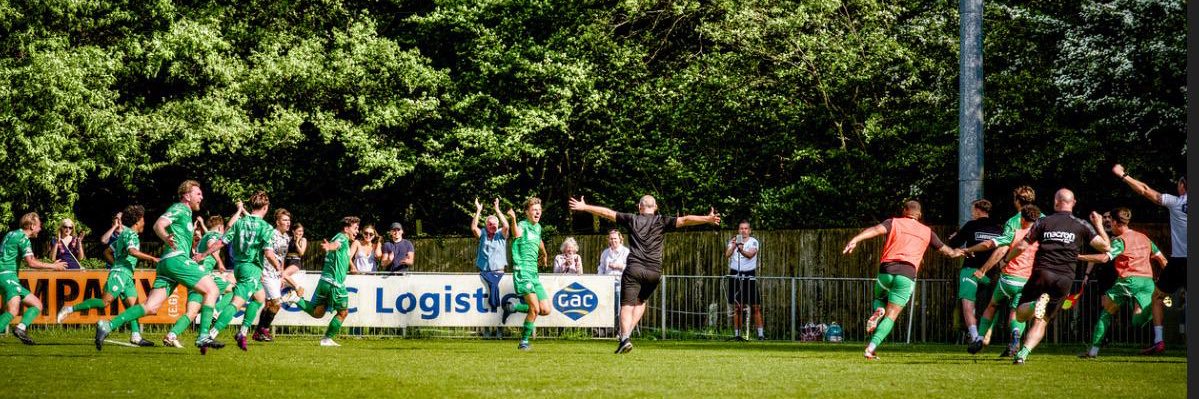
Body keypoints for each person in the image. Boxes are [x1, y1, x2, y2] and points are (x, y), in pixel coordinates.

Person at [569, 195, 721, 354]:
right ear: (655, 207)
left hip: (634, 269)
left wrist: (585, 207)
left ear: (639, 207)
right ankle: (626, 335)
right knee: (641, 301)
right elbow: (685, 220)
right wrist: (707, 219)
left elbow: (607, 213)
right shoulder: (661, 221)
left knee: (626, 305)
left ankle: (624, 338)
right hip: (654, 272)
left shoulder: (632, 219)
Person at [95, 180, 224, 353]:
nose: (201, 197)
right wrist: (166, 238)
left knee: (151, 307)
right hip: (176, 260)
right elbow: (158, 225)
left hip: (167, 264)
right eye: (198, 194)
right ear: (187, 196)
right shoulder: (180, 208)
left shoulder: (186, 213)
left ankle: (108, 325)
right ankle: (203, 336)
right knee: (212, 290)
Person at [842, 200, 962, 360]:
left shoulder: (894, 222)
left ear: (904, 211)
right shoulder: (927, 232)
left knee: (879, 298)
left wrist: (855, 240)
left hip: (887, 271)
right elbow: (948, 252)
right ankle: (870, 349)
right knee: (891, 315)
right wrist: (961, 251)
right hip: (907, 274)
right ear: (919, 214)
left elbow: (875, 230)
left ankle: (879, 310)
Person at [1006, 189, 1109, 365]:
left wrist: (1007, 258)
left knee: (1021, 315)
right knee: (1043, 320)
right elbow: (1105, 247)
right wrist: (1099, 224)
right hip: (1065, 279)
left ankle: (1034, 304)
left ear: (1055, 202)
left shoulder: (1043, 221)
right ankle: (1023, 354)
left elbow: (1022, 246)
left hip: (1042, 273)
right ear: (1073, 203)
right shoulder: (1082, 224)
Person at [55, 206, 158, 347]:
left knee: (133, 306)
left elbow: (107, 252)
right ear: (137, 221)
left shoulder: (124, 235)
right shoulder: (131, 235)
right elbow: (132, 251)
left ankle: (136, 336)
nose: (144, 223)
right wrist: (152, 258)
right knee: (104, 302)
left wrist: (116, 264)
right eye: (143, 220)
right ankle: (69, 309)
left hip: (127, 276)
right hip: (120, 274)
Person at [1112, 164, 1186, 354]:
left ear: (1182, 186)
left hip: (1179, 262)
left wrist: (1123, 175)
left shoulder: (1176, 202)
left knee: (1157, 297)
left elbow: (1145, 190)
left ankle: (1159, 341)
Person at [201, 191, 286, 351]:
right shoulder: (266, 227)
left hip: (239, 267)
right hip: (251, 269)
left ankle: (242, 332)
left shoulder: (239, 223)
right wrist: (278, 267)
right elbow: (268, 253)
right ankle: (210, 335)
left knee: (259, 297)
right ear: (266, 207)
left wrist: (203, 254)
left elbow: (222, 241)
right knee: (236, 303)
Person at [1078, 207, 1168, 358]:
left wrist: (1079, 257)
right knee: (1138, 320)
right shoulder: (1144, 238)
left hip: (1128, 281)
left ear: (1115, 222)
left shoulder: (1120, 240)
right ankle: (1158, 340)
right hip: (1147, 282)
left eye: (1111, 222)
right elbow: (1162, 260)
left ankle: (1093, 351)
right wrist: (1167, 281)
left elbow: (1104, 258)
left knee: (1106, 313)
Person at [967, 204, 1040, 356]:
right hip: (1026, 282)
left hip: (1008, 279)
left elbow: (991, 244)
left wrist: (970, 250)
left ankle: (979, 338)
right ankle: (1015, 334)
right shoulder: (1039, 238)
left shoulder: (1015, 233)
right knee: (1016, 312)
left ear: (1022, 219)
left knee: (992, 306)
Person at [162, 213, 237, 348]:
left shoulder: (206, 235)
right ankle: (215, 311)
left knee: (191, 313)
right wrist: (219, 262)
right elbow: (211, 244)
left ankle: (171, 335)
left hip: (194, 278)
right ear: (220, 227)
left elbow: (227, 227)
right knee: (234, 290)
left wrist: (239, 211)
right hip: (203, 276)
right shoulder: (214, 235)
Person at [289, 216, 359, 347]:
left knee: (318, 313)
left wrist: (350, 266)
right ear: (346, 229)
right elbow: (336, 245)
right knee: (343, 312)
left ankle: (296, 299)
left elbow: (338, 251)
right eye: (355, 228)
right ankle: (327, 339)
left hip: (324, 281)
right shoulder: (342, 238)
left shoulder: (338, 237)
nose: (357, 231)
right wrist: (329, 246)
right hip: (334, 283)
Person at [0, 212, 68, 344]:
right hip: (7, 276)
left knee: (37, 304)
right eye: (39, 226)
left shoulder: (11, 233)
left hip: (5, 276)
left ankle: (20, 328)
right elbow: (31, 263)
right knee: (12, 310)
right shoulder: (23, 238)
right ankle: (19, 328)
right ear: (32, 226)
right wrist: (54, 266)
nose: (40, 229)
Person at [946, 199, 1002, 353]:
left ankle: (975, 336)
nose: (972, 213)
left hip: (971, 270)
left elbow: (953, 243)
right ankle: (986, 334)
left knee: (967, 303)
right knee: (993, 304)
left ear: (978, 210)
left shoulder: (971, 225)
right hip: (991, 272)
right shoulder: (999, 228)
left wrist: (953, 237)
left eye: (972, 210)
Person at [500, 197, 550, 351]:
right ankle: (523, 342)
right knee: (534, 309)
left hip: (534, 274)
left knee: (545, 310)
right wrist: (513, 219)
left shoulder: (538, 227)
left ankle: (514, 307)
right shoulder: (522, 225)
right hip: (522, 272)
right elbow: (516, 234)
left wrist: (544, 254)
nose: (538, 212)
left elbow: (539, 241)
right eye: (534, 210)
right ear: (527, 212)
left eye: (539, 210)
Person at [253, 208, 300, 342]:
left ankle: (258, 333)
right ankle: (264, 330)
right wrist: (259, 270)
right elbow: (264, 252)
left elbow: (282, 257)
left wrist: (282, 274)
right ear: (277, 222)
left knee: (269, 304)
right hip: (266, 272)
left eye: (289, 220)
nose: (288, 222)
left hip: (276, 274)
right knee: (277, 303)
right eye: (284, 220)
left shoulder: (286, 237)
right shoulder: (271, 234)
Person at [471, 198, 509, 338]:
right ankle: (486, 329)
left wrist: (498, 210)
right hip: (484, 273)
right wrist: (478, 211)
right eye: (490, 224)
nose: (492, 226)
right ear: (486, 225)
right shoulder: (483, 234)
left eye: (494, 224)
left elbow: (506, 225)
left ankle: (499, 329)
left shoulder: (501, 234)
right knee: (485, 301)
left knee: (499, 300)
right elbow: (473, 228)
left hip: (499, 273)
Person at [725, 220, 763, 341]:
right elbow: (727, 255)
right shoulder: (733, 241)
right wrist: (734, 246)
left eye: (746, 228)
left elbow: (750, 254)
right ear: (738, 230)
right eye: (741, 228)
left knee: (756, 306)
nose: (743, 231)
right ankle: (737, 335)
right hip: (735, 275)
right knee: (737, 307)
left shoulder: (753, 241)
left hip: (749, 275)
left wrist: (741, 250)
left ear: (749, 230)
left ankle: (761, 335)